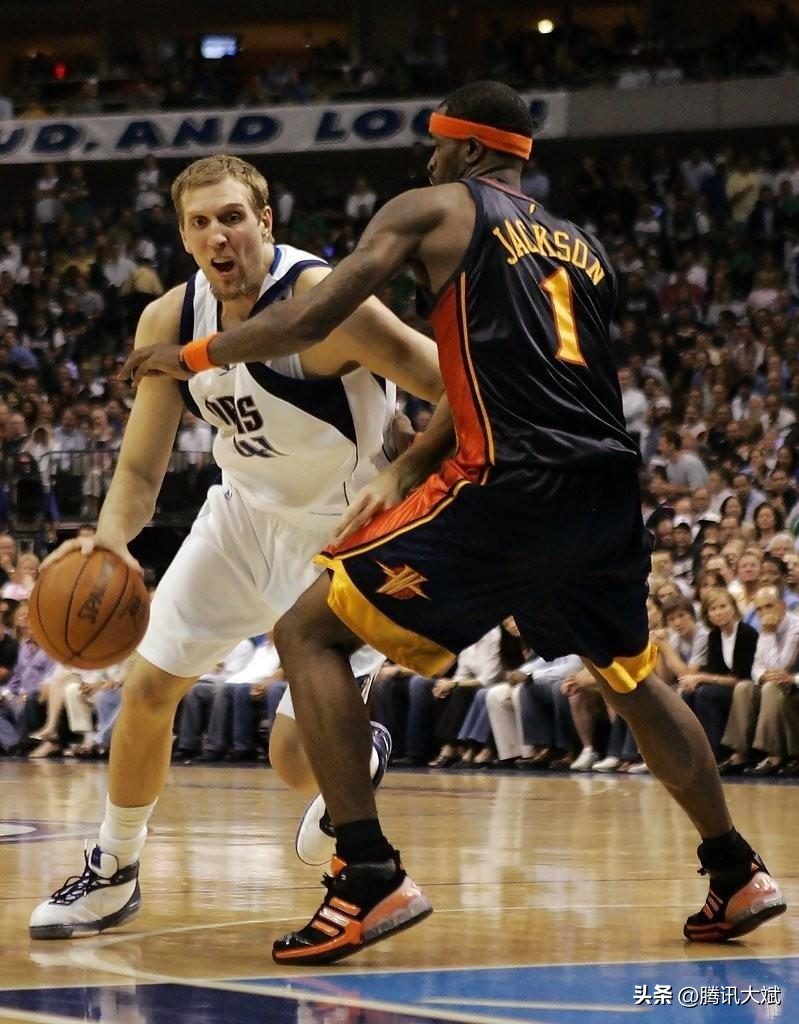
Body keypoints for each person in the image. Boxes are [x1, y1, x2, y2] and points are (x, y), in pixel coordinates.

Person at [122, 82, 786, 964]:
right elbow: (504, 379)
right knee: (630, 677)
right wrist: (403, 466)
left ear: (468, 149)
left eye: (436, 145)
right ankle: (735, 869)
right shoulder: (584, 249)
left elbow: (315, 314)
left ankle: (367, 875)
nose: (428, 160)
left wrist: (191, 353)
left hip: (509, 483)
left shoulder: (433, 208)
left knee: (306, 633)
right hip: (601, 485)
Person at [29, 154, 448, 939]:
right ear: (184, 236)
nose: (218, 235)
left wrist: (407, 471)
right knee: (147, 688)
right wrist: (109, 542)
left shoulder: (328, 302)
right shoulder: (169, 318)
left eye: (231, 217)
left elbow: (453, 384)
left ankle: (359, 752)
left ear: (265, 221)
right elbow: (141, 468)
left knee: (293, 763)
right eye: (199, 222)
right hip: (239, 515)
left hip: (341, 536)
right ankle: (113, 869)